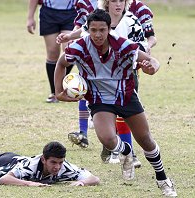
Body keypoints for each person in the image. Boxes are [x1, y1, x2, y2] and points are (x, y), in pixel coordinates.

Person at [54, 9, 177, 196]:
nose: (97, 34)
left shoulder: (124, 45)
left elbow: (152, 61)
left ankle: (163, 179)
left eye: (102, 30)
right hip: (99, 100)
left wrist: (152, 68)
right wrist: (58, 92)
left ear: (109, 29)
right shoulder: (79, 47)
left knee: (146, 140)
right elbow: (61, 63)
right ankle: (126, 151)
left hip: (126, 97)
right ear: (87, 29)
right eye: (93, 30)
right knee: (107, 139)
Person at [57, 0, 156, 168]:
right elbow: (84, 31)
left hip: (126, 74)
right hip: (99, 72)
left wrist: (147, 61)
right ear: (106, 3)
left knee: (124, 114)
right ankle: (108, 144)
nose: (117, 4)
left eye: (121, 1)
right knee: (88, 94)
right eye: (113, 1)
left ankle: (128, 152)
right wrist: (70, 37)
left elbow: (145, 44)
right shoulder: (97, 17)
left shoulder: (132, 19)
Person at [26, 0, 75, 103]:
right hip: (49, 13)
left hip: (72, 12)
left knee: (70, 51)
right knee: (52, 53)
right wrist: (30, 17)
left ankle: (61, 87)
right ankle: (55, 92)